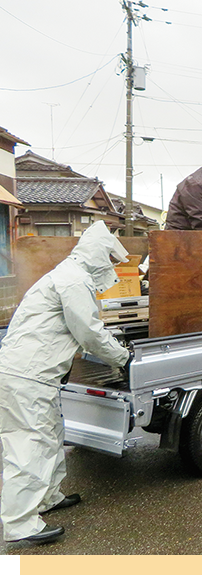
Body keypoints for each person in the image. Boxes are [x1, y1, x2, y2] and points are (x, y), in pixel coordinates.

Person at [0, 221, 132, 544]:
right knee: (28, 443)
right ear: (98, 254)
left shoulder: (70, 275)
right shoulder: (74, 280)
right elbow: (89, 332)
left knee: (49, 435)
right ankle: (19, 524)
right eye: (111, 260)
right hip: (27, 375)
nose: (113, 267)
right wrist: (123, 357)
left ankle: (47, 498)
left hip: (34, 374)